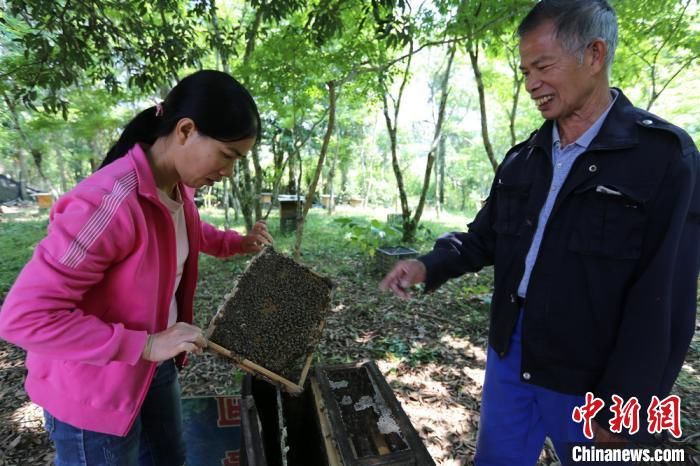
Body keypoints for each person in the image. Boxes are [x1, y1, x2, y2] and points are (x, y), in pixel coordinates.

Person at [380, 1, 699, 464]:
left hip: (595, 374)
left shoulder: (663, 158)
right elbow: (483, 239)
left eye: (543, 66)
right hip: (512, 353)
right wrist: (426, 264)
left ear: (594, 55)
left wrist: (628, 410)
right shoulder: (525, 158)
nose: (531, 84)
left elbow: (664, 299)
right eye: (525, 70)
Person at [0, 70, 273, 465]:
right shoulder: (106, 205)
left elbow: (186, 230)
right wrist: (144, 344)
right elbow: (23, 318)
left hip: (151, 369)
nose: (228, 171)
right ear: (185, 130)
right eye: (228, 156)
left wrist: (237, 242)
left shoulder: (177, 189)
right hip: (93, 391)